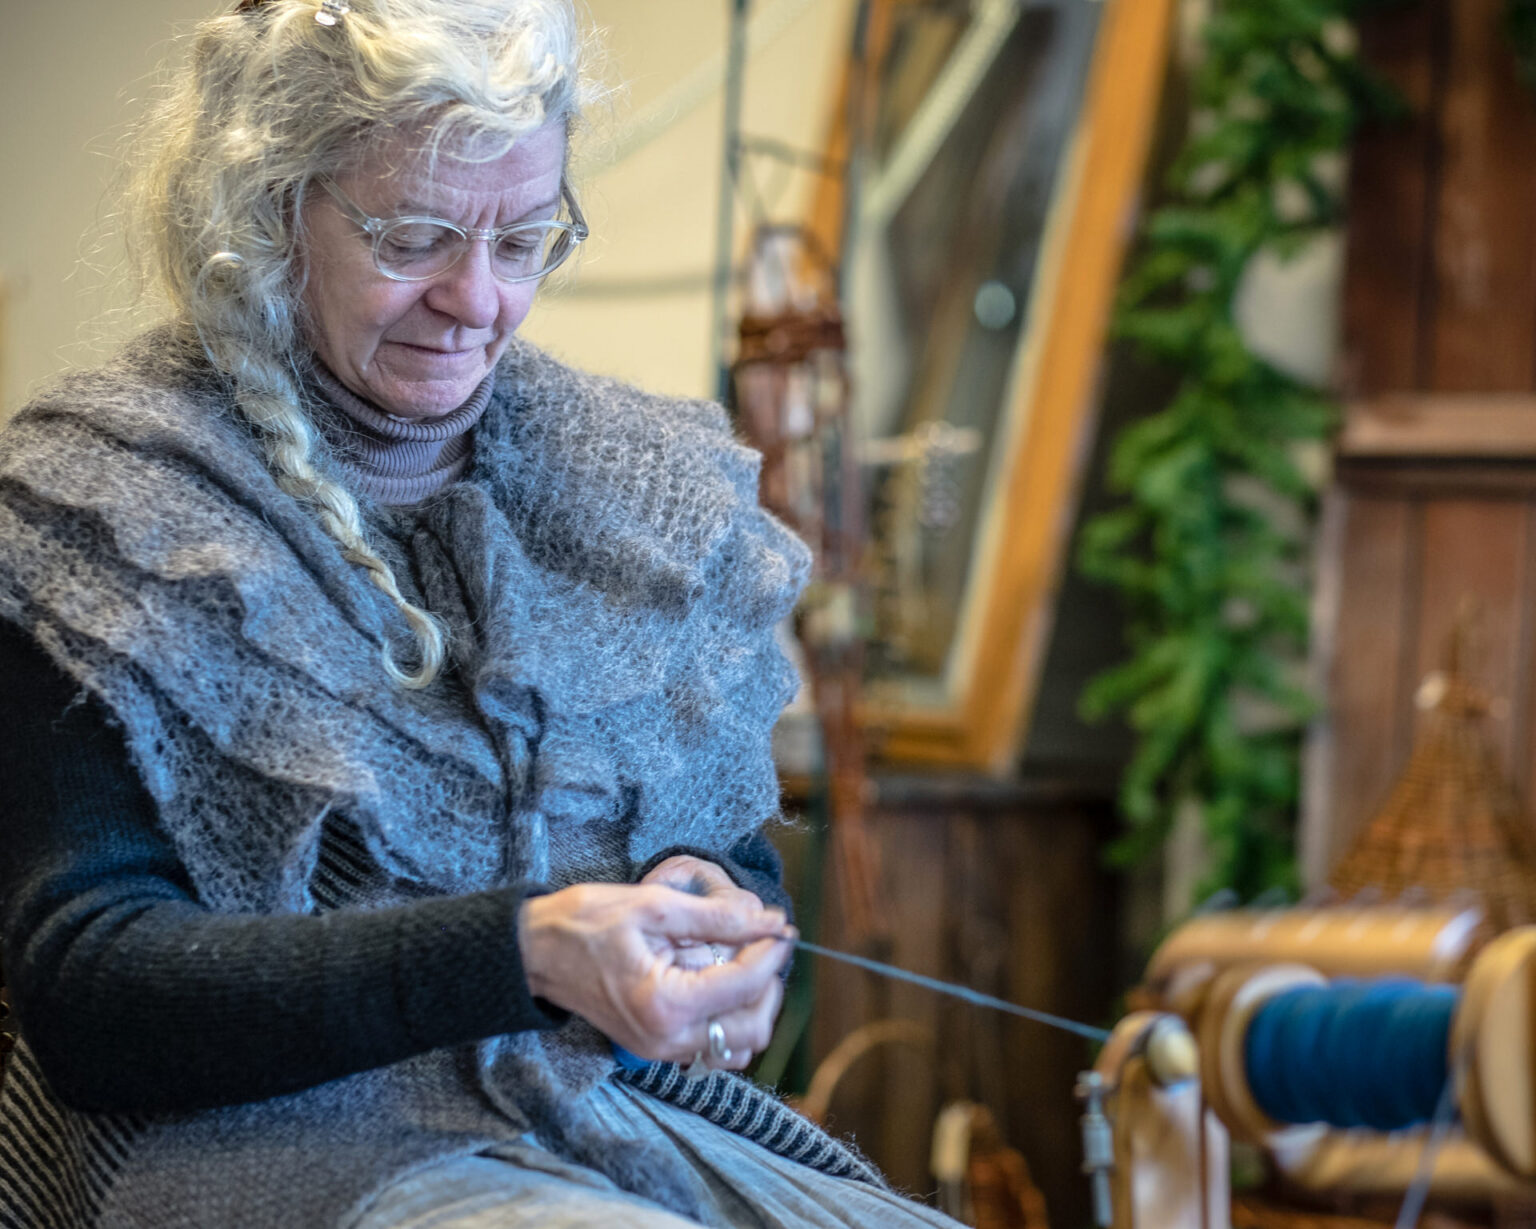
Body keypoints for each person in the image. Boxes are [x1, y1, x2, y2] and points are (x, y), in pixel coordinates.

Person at [0, 1, 964, 1226]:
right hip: (257, 1145)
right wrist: (528, 950)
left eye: (523, 239)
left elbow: (724, 846)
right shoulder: (101, 507)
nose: (478, 300)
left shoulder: (642, 488)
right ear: (267, 207)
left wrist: (699, 902)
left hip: (596, 1115)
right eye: (416, 236)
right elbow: (90, 992)